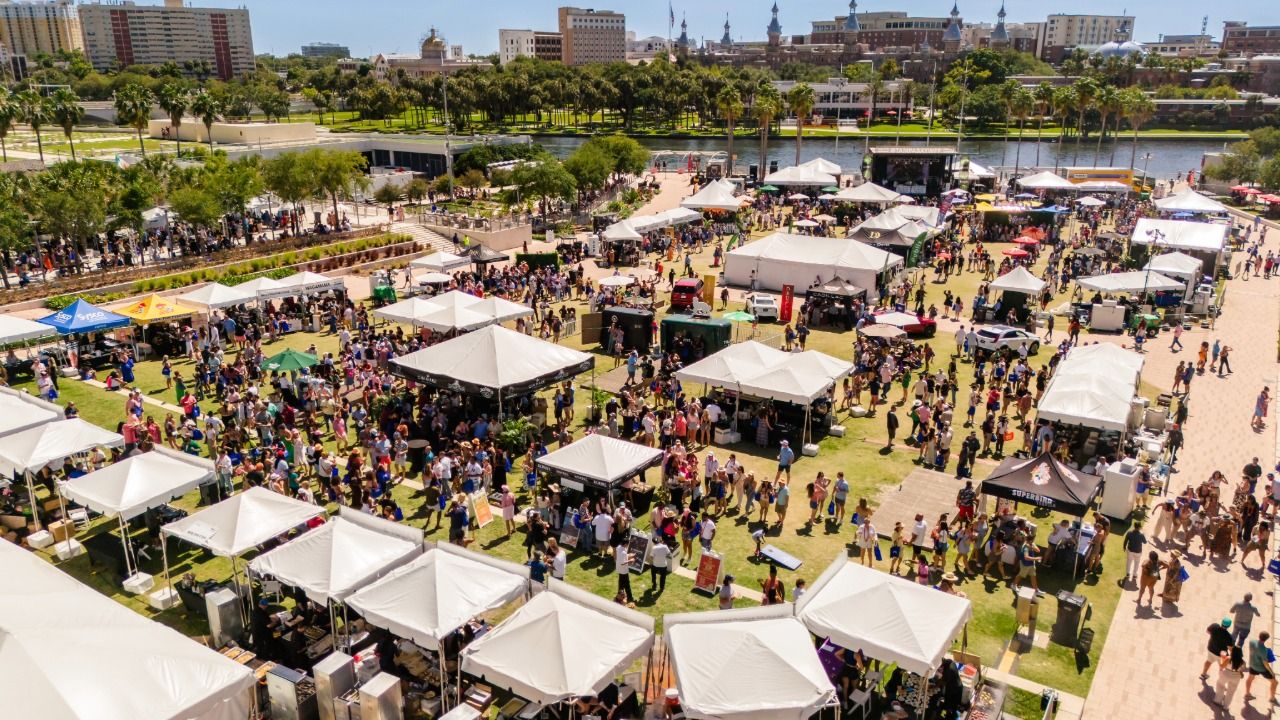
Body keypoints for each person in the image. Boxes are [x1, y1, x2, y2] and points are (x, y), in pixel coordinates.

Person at [1246, 632, 1278, 705]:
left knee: (1250, 679)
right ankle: (1272, 698)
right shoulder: (1264, 650)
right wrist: (1272, 672)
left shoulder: (1252, 642)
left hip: (1252, 664)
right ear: (1266, 639)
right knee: (1275, 682)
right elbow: (1266, 664)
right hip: (1261, 668)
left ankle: (1247, 694)